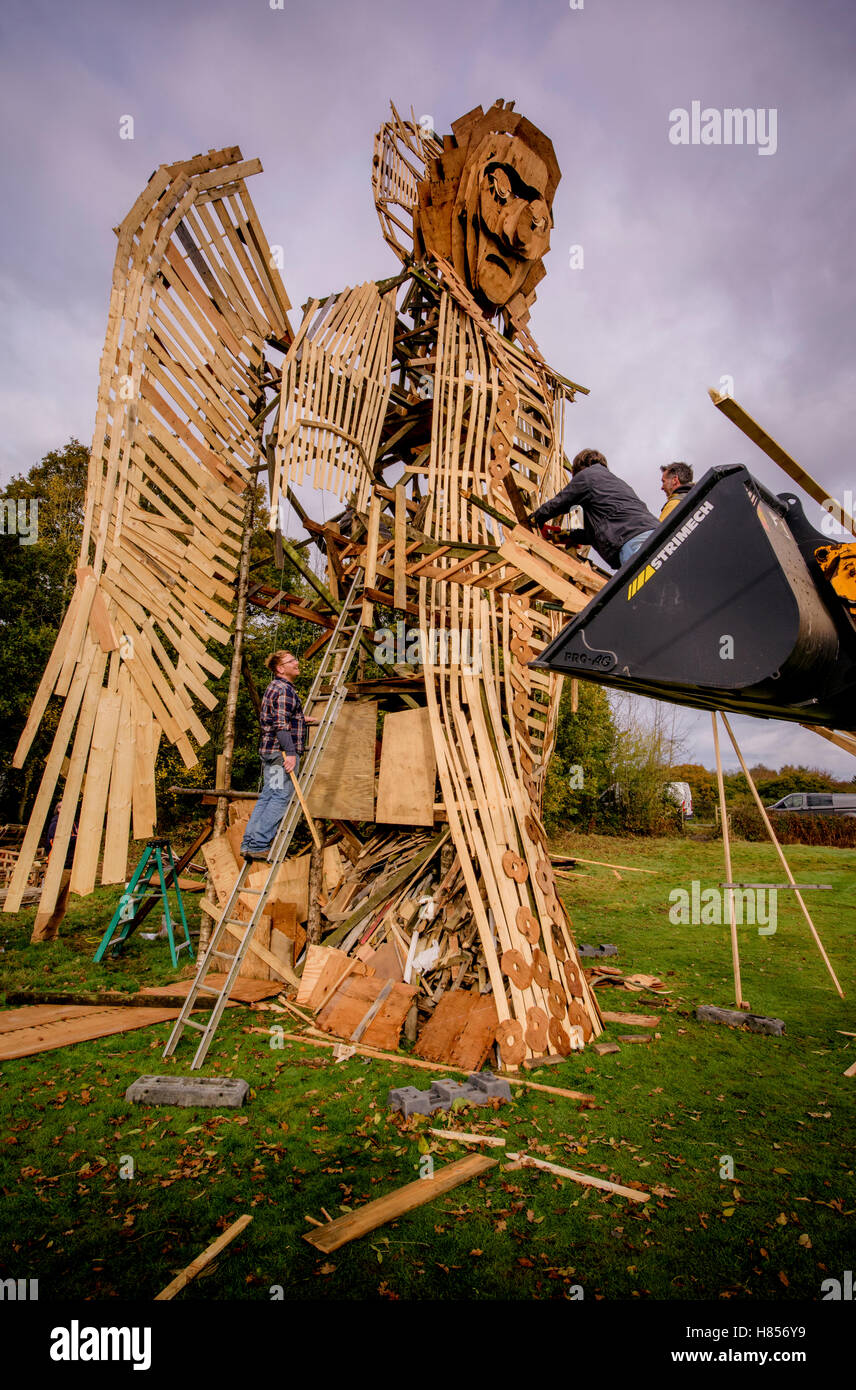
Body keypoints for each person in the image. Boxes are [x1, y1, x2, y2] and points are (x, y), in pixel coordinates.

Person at [240, 651, 316, 861]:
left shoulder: (275, 688)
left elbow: (278, 716)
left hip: (271, 752)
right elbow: (280, 724)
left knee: (269, 795)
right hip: (281, 753)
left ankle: (250, 843)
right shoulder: (285, 691)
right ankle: (260, 843)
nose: (297, 663)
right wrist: (290, 754)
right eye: (291, 661)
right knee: (281, 797)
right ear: (280, 668)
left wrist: (301, 718)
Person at [529, 448, 659, 568]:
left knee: (649, 583)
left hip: (630, 539)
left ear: (577, 469)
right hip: (653, 531)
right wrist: (565, 536)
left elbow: (561, 501)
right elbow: (594, 532)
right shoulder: (615, 483)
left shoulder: (586, 476)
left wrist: (536, 518)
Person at [32, 800, 77, 940]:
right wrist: (77, 839)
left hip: (70, 866)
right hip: (58, 867)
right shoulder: (56, 823)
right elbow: (57, 842)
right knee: (49, 903)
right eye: (64, 807)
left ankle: (51, 933)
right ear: (58, 809)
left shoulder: (73, 823)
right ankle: (37, 936)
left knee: (62, 905)